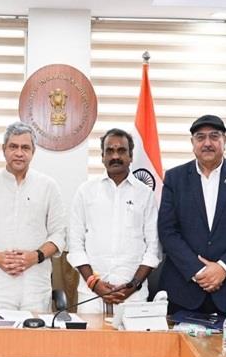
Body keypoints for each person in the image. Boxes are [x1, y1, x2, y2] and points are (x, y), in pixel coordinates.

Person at [158, 115, 226, 321]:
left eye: (214, 136)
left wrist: (223, 268)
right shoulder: (175, 178)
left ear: (225, 141)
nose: (207, 143)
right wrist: (198, 271)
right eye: (200, 137)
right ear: (192, 143)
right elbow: (167, 230)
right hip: (184, 289)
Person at [0, 122, 65, 312]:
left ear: (33, 152)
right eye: (13, 147)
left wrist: (34, 256)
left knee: (35, 331)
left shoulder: (48, 187)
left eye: (25, 148)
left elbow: (59, 235)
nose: (19, 153)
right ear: (4, 150)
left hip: (35, 284)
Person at [68, 128, 160, 313]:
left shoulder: (145, 194)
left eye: (121, 151)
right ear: (102, 157)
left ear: (131, 156)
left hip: (133, 295)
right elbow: (75, 245)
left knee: (132, 335)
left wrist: (132, 286)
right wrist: (94, 284)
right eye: (109, 151)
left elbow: (153, 249)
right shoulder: (86, 192)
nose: (115, 156)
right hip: (90, 294)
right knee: (89, 334)